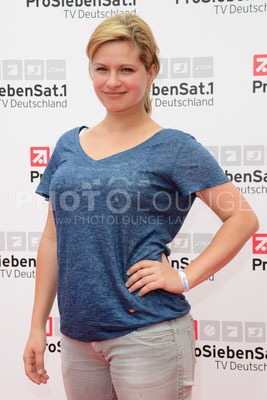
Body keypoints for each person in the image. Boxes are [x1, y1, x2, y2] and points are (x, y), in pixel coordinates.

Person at [23, 13, 259, 400]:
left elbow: (243, 217)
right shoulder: (68, 144)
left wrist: (184, 277)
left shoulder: (175, 147)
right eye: (102, 69)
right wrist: (37, 326)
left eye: (126, 69)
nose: (112, 81)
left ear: (152, 71)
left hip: (148, 335)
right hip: (77, 340)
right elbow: (52, 240)